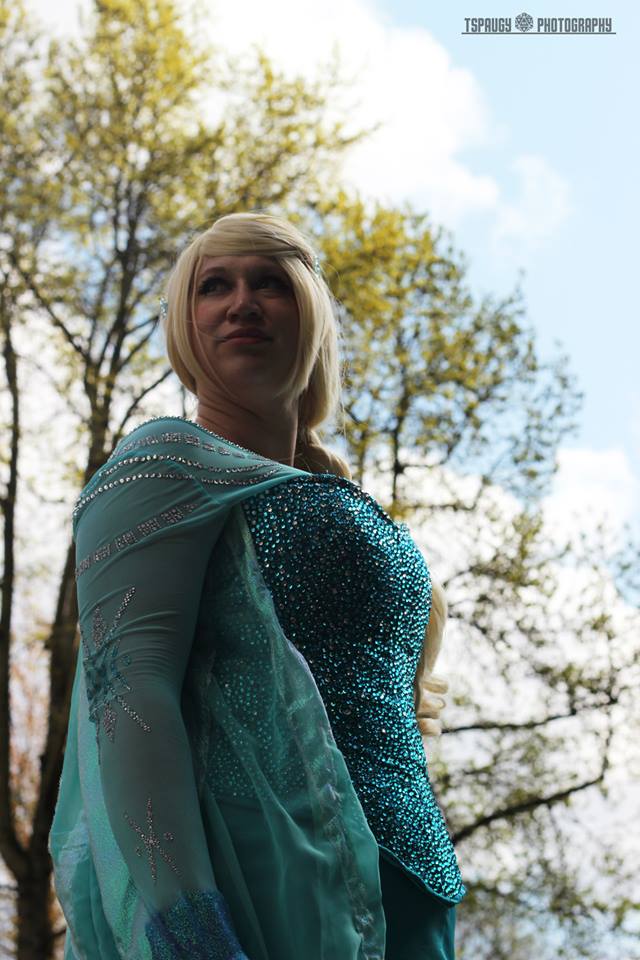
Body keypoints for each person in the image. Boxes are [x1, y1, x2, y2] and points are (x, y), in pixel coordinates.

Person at [48, 212, 466, 959]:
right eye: (214, 286)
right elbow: (128, 698)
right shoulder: (163, 462)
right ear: (185, 325)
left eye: (269, 282)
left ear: (311, 312)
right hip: (262, 890)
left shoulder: (343, 497)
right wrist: (194, 937)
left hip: (413, 891)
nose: (242, 303)